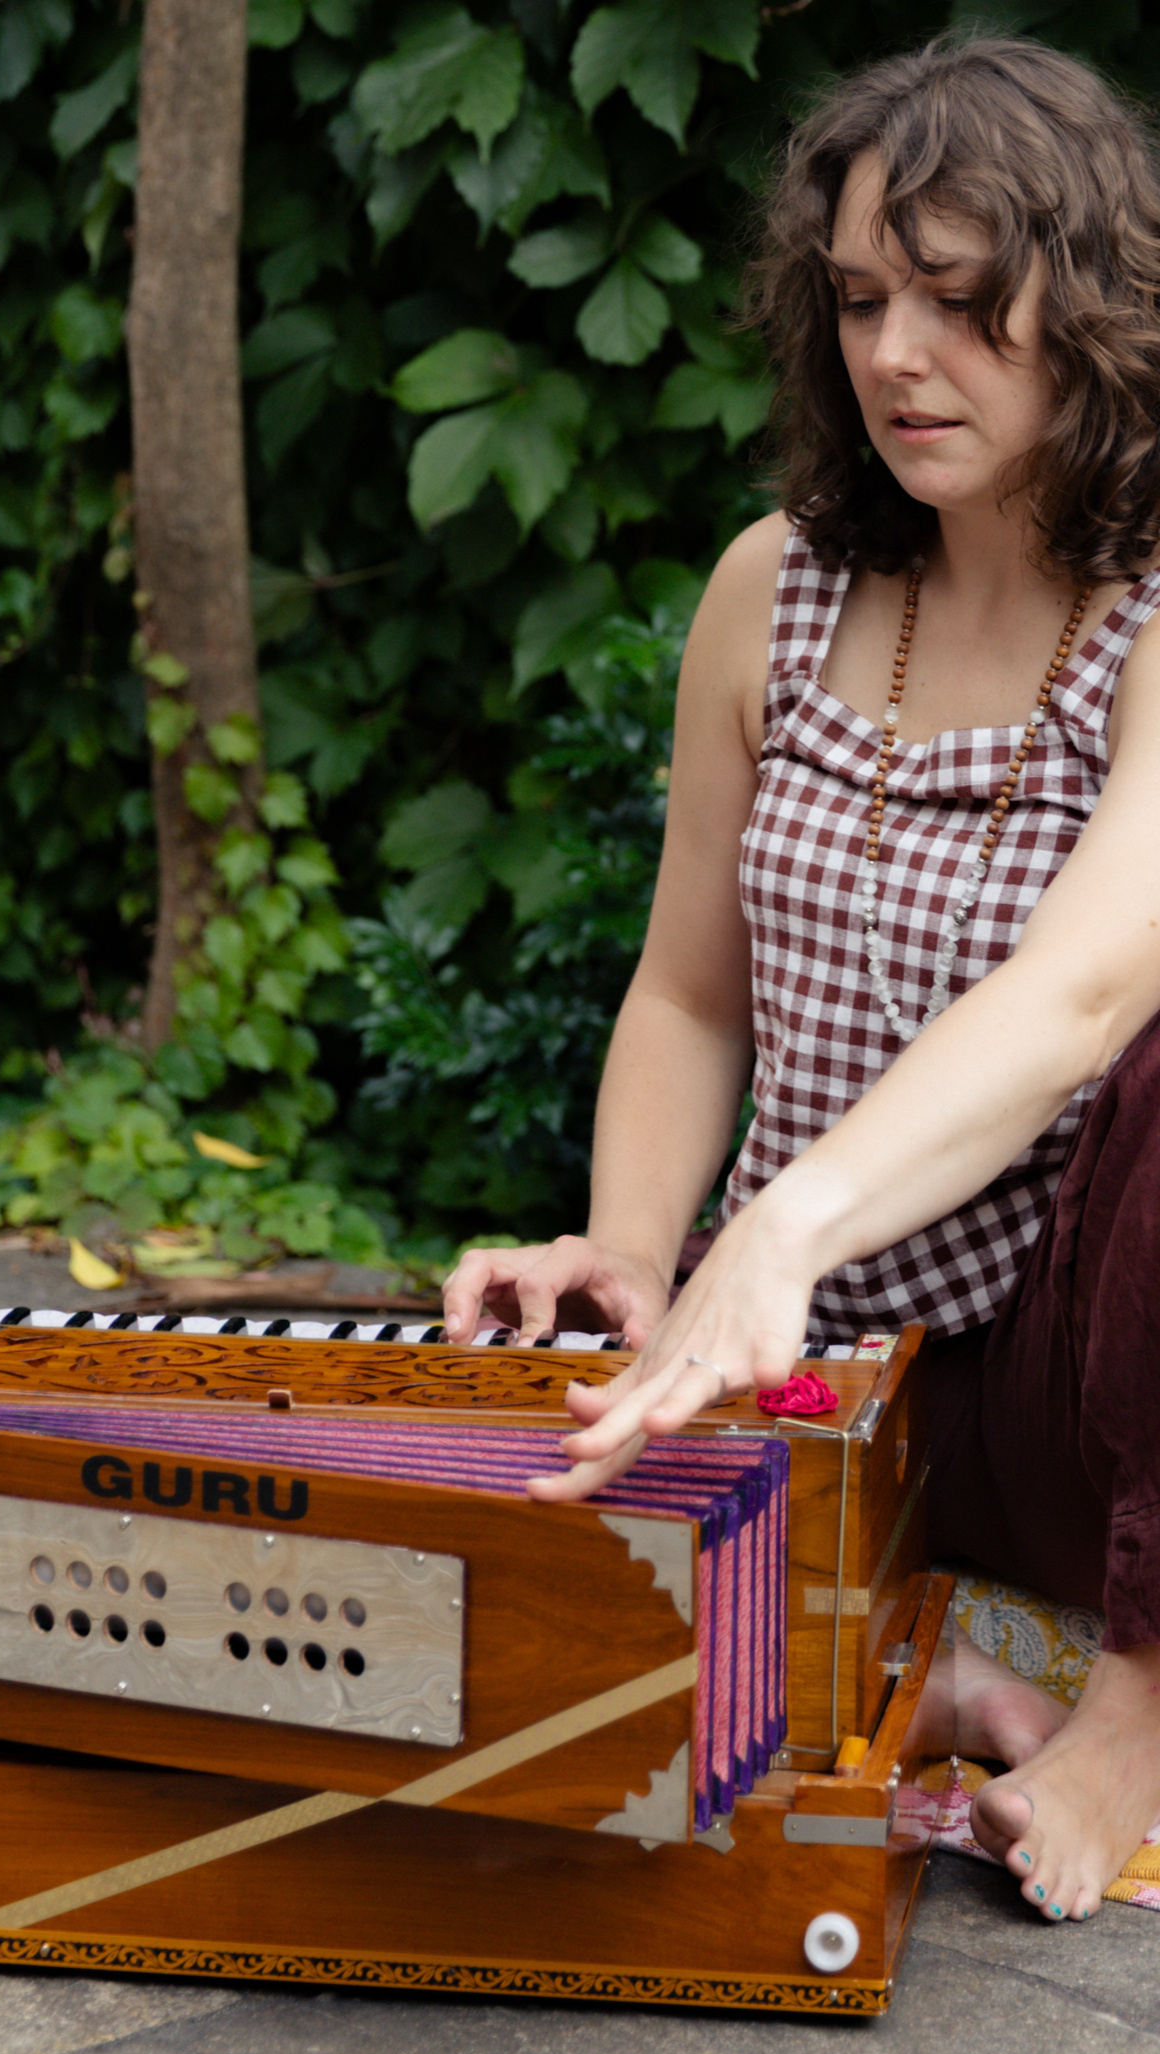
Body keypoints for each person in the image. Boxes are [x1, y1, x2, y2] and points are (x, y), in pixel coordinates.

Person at [443, 34, 1160, 1928]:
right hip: (819, 1371)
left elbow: (1090, 995)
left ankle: (1134, 1721)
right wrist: (637, 1262)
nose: (895, 357)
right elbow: (689, 997)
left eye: (956, 300)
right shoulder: (779, 587)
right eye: (858, 301)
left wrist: (793, 1223)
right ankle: (918, 1664)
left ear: (1085, 307)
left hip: (1068, 1396)